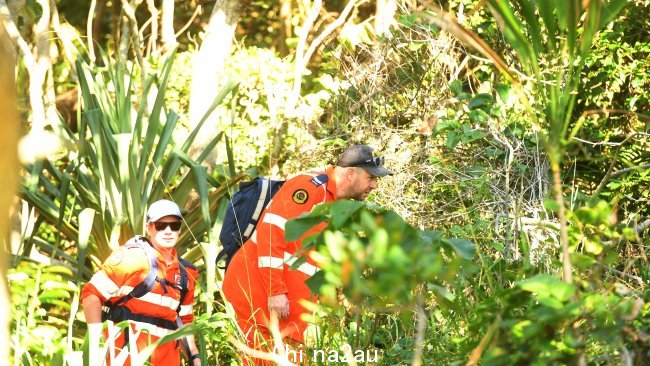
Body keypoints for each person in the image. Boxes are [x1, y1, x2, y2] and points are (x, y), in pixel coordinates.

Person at [222, 144, 393, 364]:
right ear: (351, 173)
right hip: (260, 302)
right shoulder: (309, 188)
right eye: (371, 178)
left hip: (285, 317)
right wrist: (275, 291)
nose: (375, 185)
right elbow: (271, 233)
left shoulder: (332, 202)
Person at [81, 199, 201, 366]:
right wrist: (97, 343)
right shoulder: (130, 258)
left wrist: (194, 357)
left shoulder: (187, 274)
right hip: (123, 358)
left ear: (179, 229)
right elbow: (91, 294)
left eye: (174, 226)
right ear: (149, 227)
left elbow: (184, 321)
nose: (168, 231)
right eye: (161, 225)